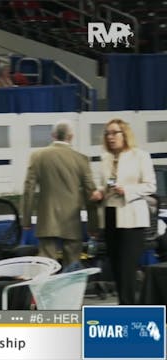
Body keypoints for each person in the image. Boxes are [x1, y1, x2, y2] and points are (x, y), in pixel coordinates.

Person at [91, 118, 156, 304]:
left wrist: (127, 190)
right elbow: (104, 185)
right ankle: (123, 305)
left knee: (127, 268)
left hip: (132, 217)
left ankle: (128, 309)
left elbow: (150, 186)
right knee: (117, 267)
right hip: (111, 215)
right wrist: (99, 192)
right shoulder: (105, 158)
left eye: (114, 133)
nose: (110, 137)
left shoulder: (140, 156)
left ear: (124, 134)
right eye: (107, 133)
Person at [21, 121, 98, 270]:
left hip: (47, 219)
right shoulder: (81, 159)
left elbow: (28, 188)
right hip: (72, 221)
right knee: (72, 267)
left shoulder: (37, 156)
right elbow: (91, 193)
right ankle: (71, 293)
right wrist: (93, 224)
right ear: (71, 136)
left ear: (53, 135)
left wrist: (26, 219)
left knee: (46, 267)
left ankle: (45, 293)